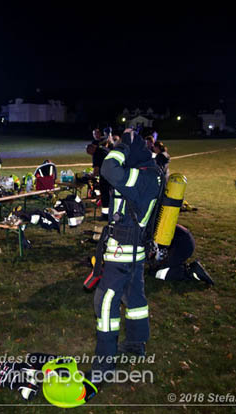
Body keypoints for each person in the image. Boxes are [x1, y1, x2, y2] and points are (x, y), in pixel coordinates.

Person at [90, 129, 161, 383]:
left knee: (105, 303)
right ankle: (136, 343)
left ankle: (104, 362)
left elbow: (109, 169)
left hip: (123, 253)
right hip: (134, 253)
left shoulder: (142, 178)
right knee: (135, 298)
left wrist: (122, 147)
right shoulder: (149, 173)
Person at [148, 224, 213, 285]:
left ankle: (189, 272)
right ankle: (182, 267)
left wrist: (158, 263)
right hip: (182, 241)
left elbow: (158, 251)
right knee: (156, 267)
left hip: (182, 245)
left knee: (155, 272)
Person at [86, 143, 111, 220]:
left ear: (92, 149)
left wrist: (91, 176)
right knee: (111, 195)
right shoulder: (104, 149)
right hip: (114, 175)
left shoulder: (97, 154)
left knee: (105, 195)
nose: (91, 155)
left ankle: (105, 215)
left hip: (105, 176)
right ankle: (112, 212)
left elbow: (96, 169)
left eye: (90, 153)